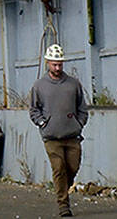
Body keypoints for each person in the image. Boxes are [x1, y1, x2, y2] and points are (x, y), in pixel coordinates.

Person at [29, 44, 88, 217]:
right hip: (51, 137)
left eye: (60, 64)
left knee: (73, 167)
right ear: (47, 63)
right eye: (54, 64)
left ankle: (62, 186)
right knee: (58, 168)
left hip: (72, 135)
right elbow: (33, 109)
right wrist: (42, 123)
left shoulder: (73, 84)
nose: (57, 67)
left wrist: (79, 123)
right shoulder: (39, 86)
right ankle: (63, 205)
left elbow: (82, 108)